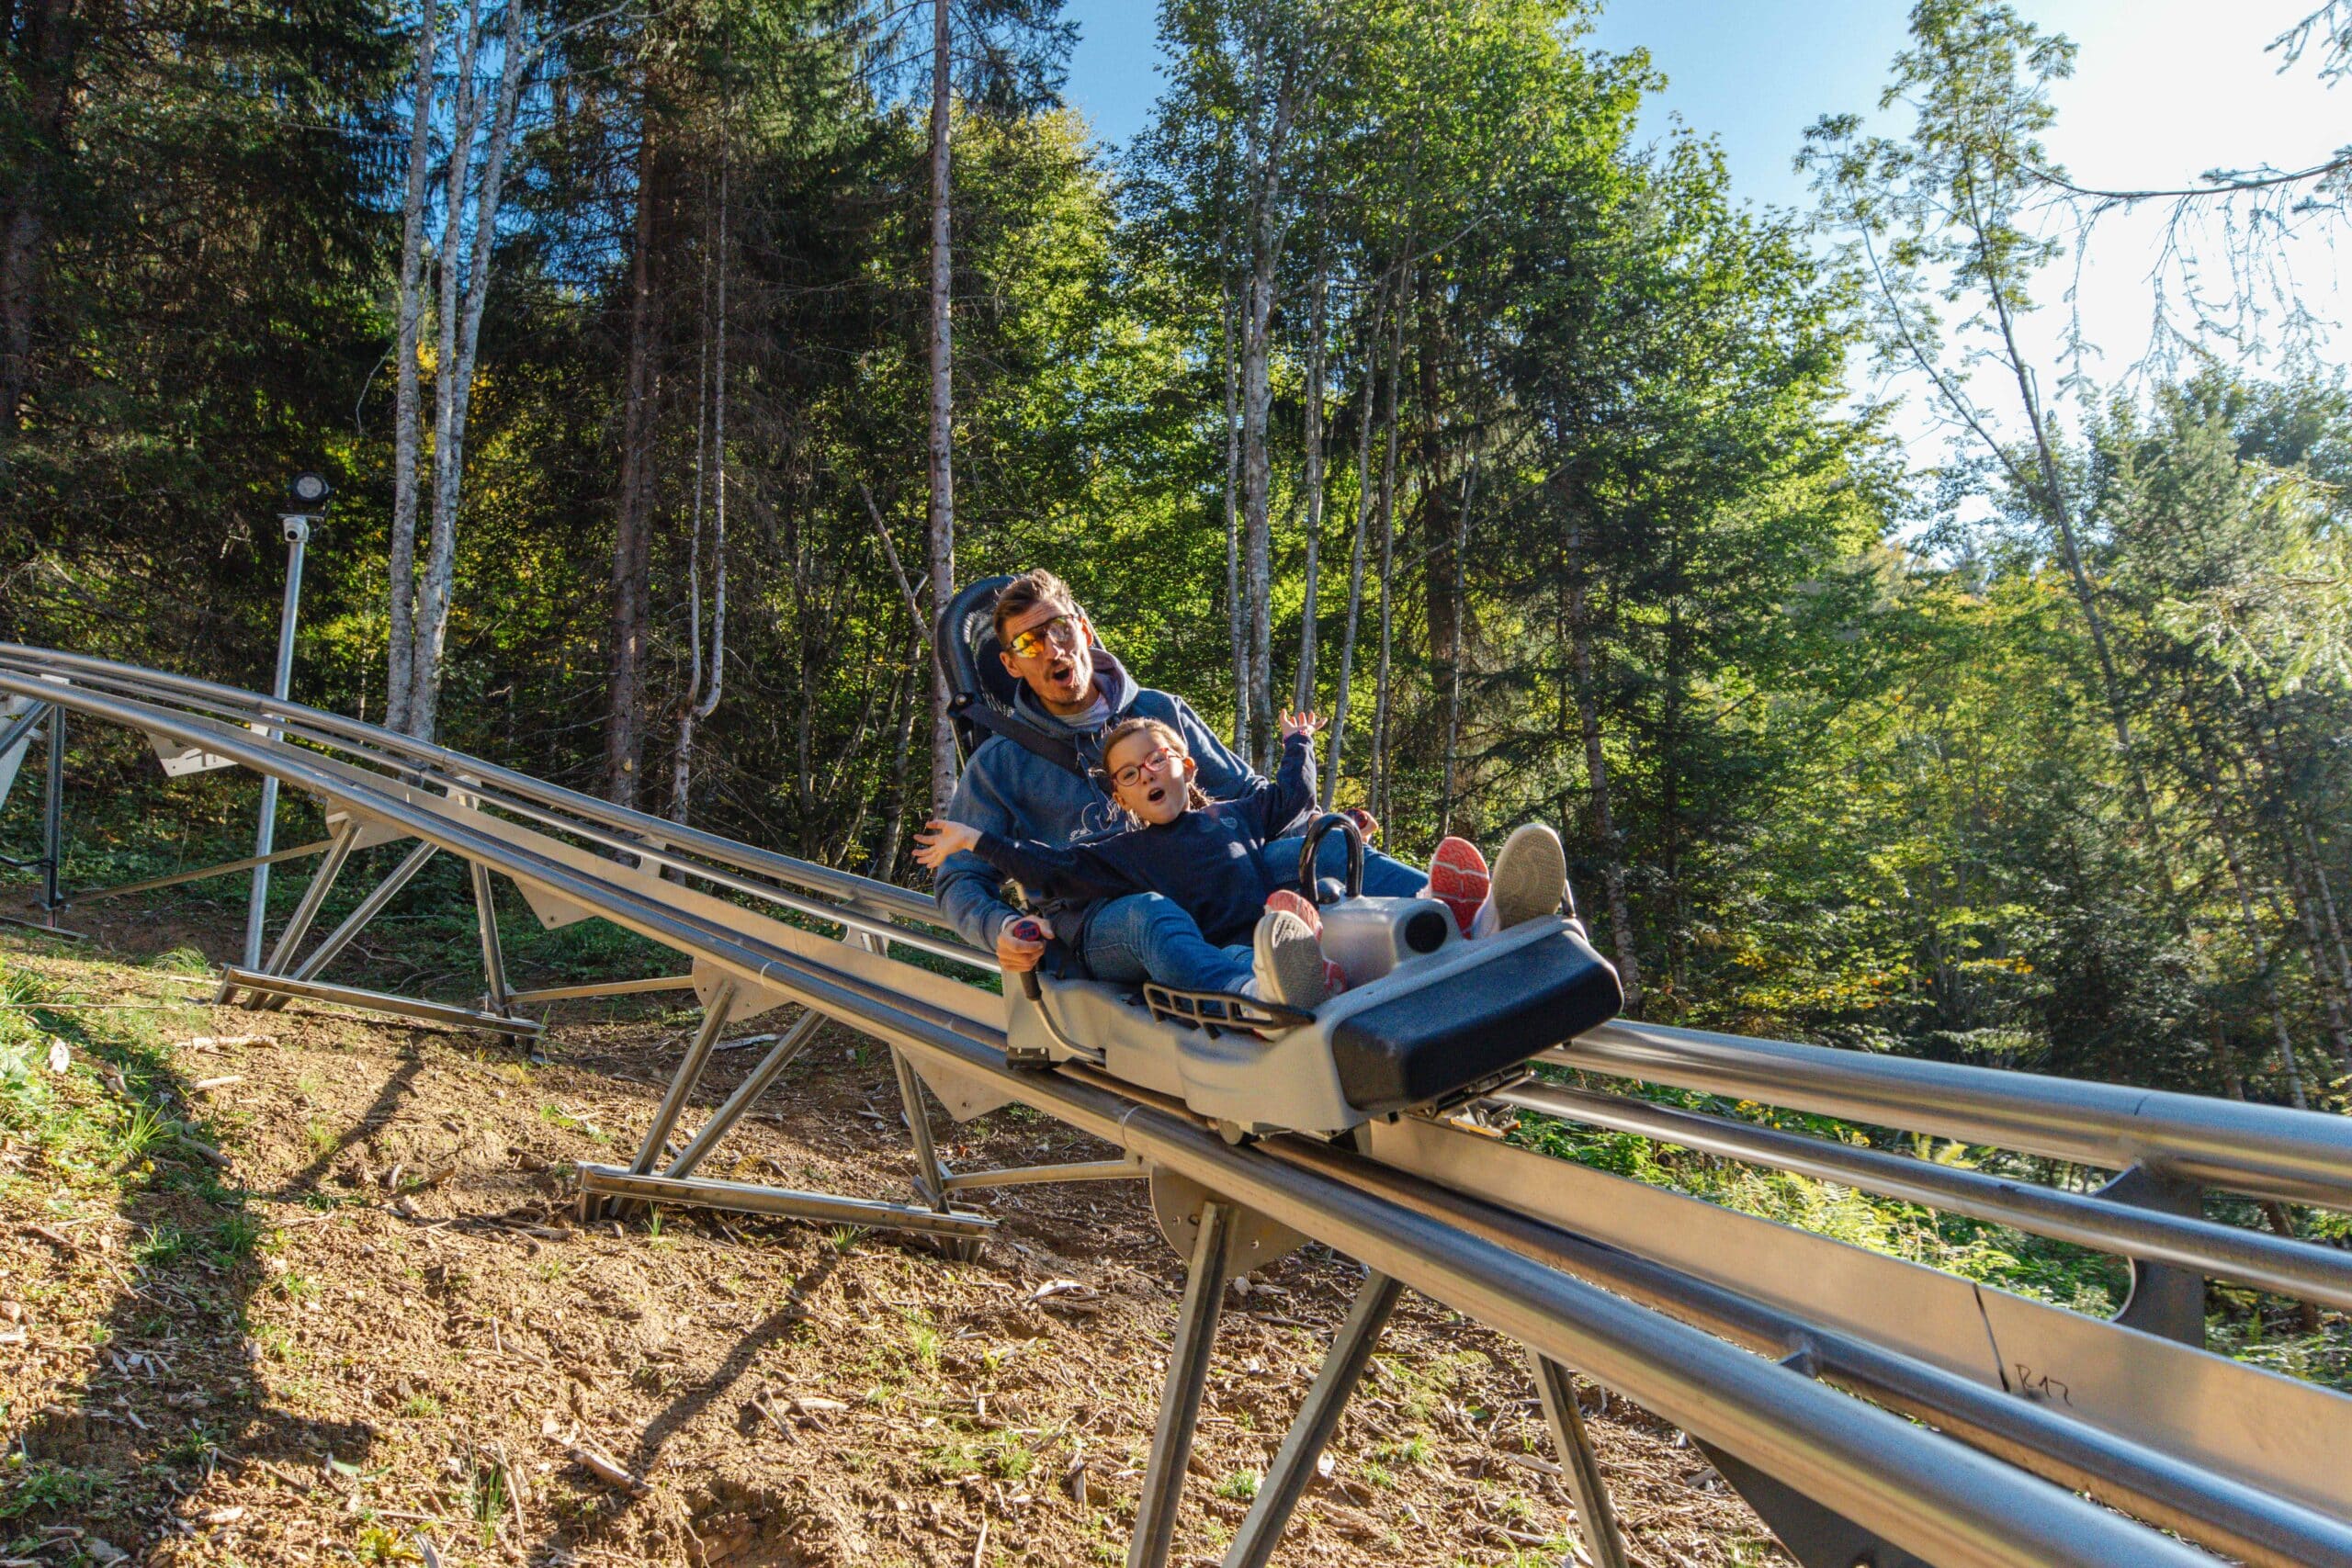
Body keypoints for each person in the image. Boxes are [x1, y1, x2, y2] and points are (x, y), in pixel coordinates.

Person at [930, 569, 1565, 981]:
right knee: (1152, 913)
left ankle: (1477, 917)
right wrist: (999, 930)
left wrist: (1324, 823)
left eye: (1059, 630)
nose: (1053, 651)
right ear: (1012, 665)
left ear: (1084, 631)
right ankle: (1256, 988)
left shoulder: (1158, 712)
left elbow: (1251, 798)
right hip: (1108, 918)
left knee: (1315, 847)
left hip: (1212, 876)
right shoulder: (1000, 764)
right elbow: (960, 877)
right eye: (1031, 645)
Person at [917, 710, 1336, 1006]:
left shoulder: (1235, 814)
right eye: (1131, 775)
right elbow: (1054, 869)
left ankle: (1312, 969)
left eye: (1156, 760)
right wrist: (976, 840)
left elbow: (1293, 798)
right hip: (1221, 954)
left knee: (1323, 849)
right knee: (1227, 959)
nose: (1147, 774)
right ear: (1121, 799)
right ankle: (1251, 998)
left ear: (1188, 767)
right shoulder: (1128, 853)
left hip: (1261, 929)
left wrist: (1299, 742)